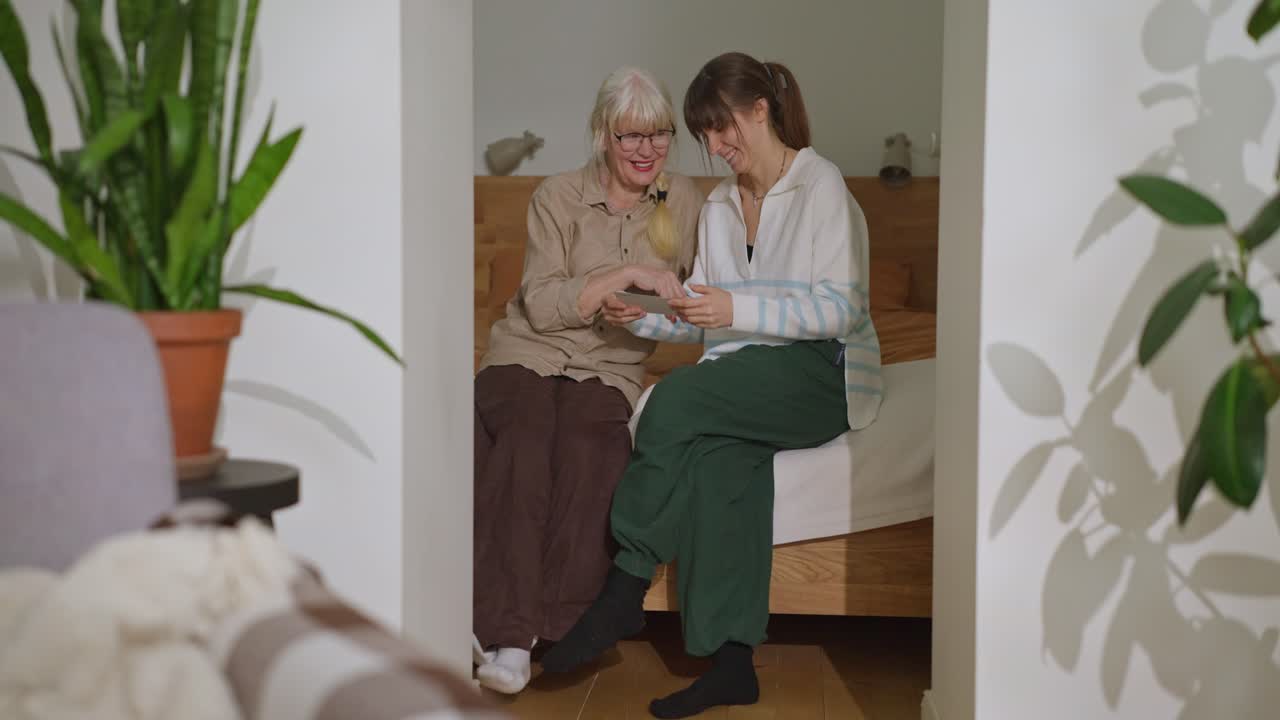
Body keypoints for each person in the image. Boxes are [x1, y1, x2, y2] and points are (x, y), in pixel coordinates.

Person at [538, 52, 884, 718]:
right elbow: (712, 321)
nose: (719, 148)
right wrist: (647, 317)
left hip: (824, 372)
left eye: (725, 129)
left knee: (673, 401)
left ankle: (624, 585)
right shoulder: (722, 206)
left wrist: (735, 311)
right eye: (706, 135)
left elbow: (842, 309)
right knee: (722, 465)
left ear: (761, 110)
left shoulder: (822, 186)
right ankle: (732, 662)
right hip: (751, 375)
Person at [471, 66, 703, 695]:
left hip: (610, 366)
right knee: (522, 439)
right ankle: (508, 636)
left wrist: (651, 305)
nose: (646, 151)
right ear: (603, 134)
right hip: (527, 352)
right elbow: (543, 305)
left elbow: (692, 297)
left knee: (591, 449)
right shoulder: (557, 196)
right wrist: (622, 276)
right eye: (631, 136)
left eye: (659, 135)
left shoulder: (684, 200)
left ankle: (561, 627)